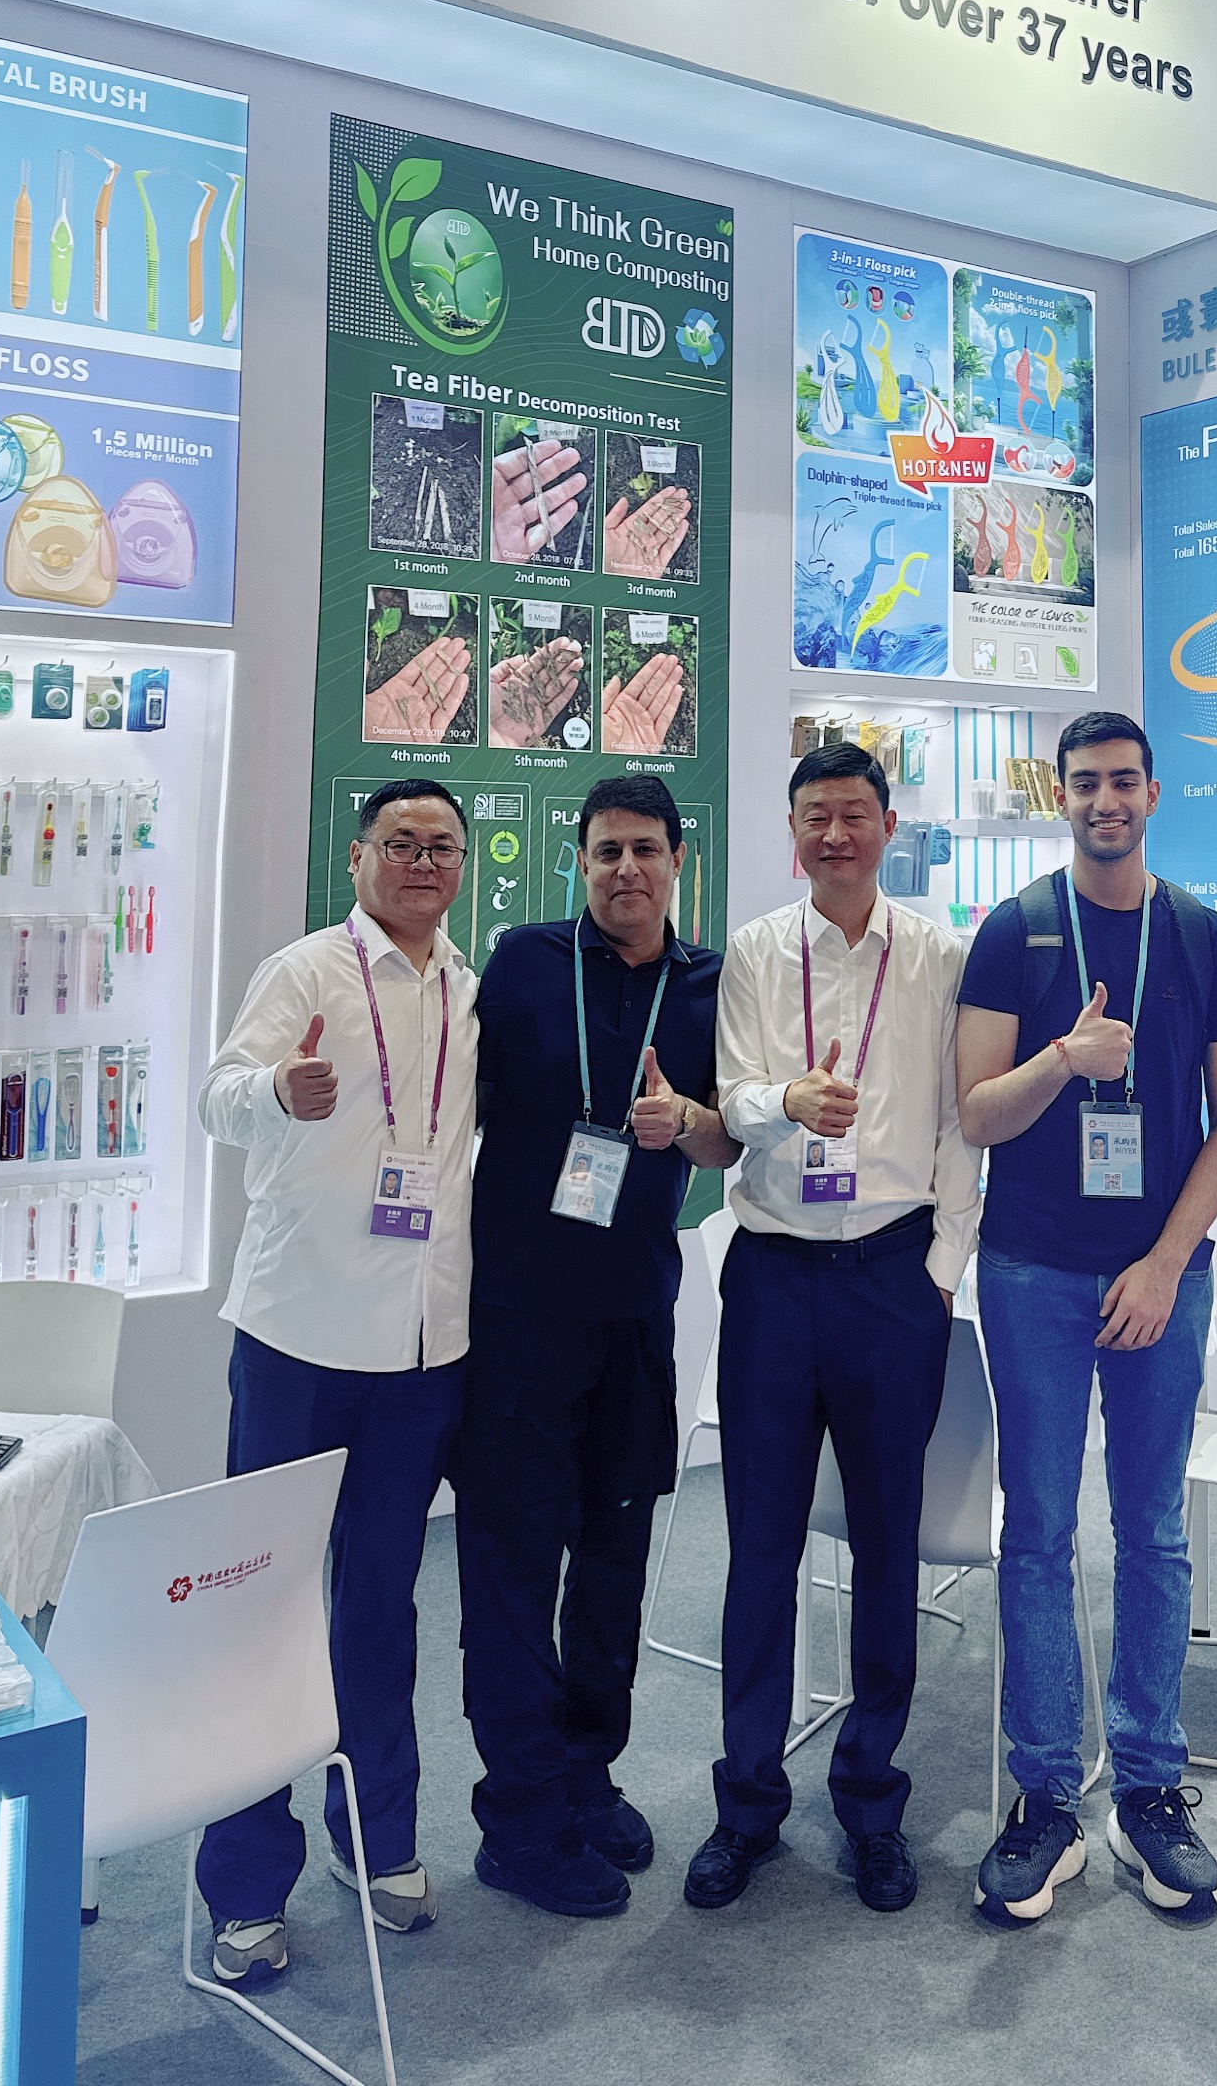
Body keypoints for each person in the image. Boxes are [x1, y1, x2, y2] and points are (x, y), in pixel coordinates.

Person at [956, 711, 1217, 1927]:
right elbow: (977, 1113)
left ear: (1153, 793)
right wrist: (1064, 1063)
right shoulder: (1015, 931)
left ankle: (1148, 1788)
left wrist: (1166, 1262)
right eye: (1084, 783)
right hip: (1030, 1273)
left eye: (1124, 781)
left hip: (1161, 1280)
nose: (1105, 801)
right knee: (1036, 1534)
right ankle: (1043, 1799)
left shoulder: (1204, 937)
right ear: (1060, 796)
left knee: (1153, 1533)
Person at [195, 777, 479, 1987]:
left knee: (380, 1603)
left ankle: (378, 1836)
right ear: (359, 856)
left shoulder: (467, 989)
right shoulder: (307, 971)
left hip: (418, 1349)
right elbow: (216, 1098)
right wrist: (276, 1091)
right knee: (263, 1604)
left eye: (443, 846)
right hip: (298, 1338)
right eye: (401, 842)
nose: (422, 861)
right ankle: (246, 1881)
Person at [692, 743, 981, 1914]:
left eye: (855, 814)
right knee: (760, 1547)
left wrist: (941, 1271)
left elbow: (960, 1125)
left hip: (892, 1281)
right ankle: (746, 1805)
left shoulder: (941, 957)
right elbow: (731, 1097)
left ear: (888, 825)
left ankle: (871, 1801)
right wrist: (786, 1102)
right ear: (793, 829)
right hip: (774, 1278)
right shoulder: (758, 952)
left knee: (885, 1544)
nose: (835, 836)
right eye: (815, 815)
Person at [453, 774, 733, 1918]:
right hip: (520, 1323)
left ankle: (586, 1773)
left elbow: (729, 1142)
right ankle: (518, 1819)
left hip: (633, 1322)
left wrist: (688, 1123)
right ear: (581, 860)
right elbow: (452, 1109)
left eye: (646, 850)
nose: (627, 869)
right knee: (516, 1573)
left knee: (613, 1571)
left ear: (677, 862)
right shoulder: (523, 963)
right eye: (607, 850)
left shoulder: (708, 983)